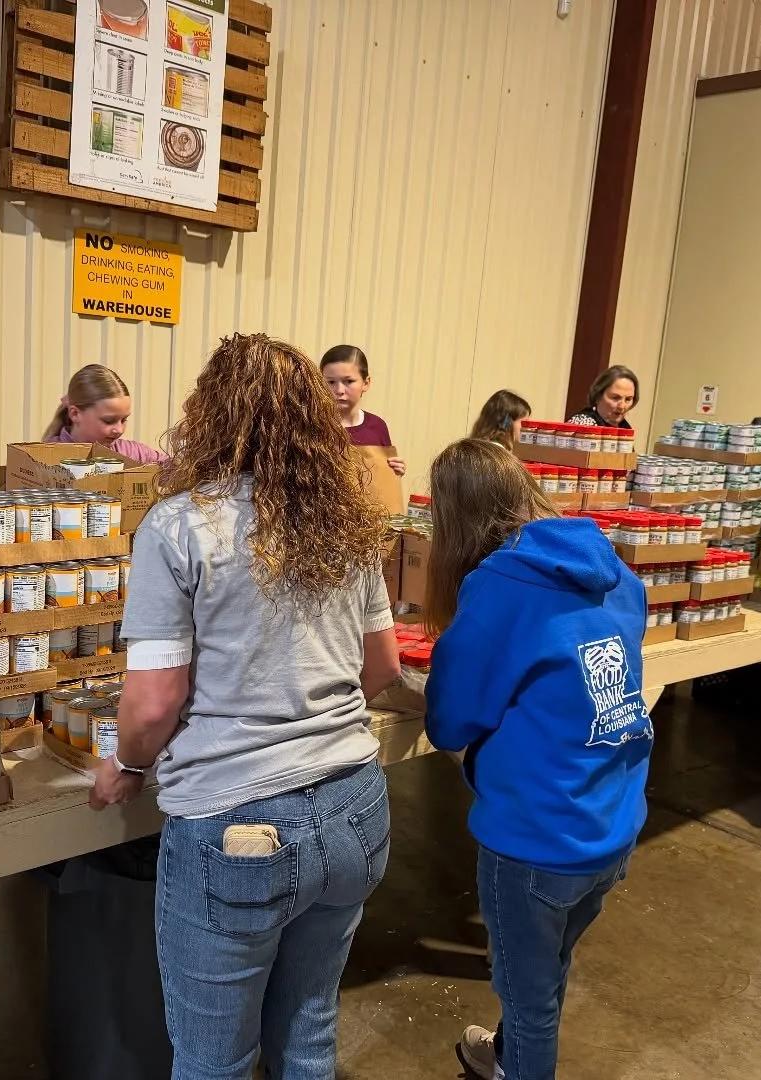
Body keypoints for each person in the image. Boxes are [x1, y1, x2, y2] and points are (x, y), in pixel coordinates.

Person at [88, 333, 402, 1079]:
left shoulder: (179, 526)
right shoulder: (347, 523)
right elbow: (382, 667)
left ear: (210, 414)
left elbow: (156, 699)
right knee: (309, 1034)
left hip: (238, 824)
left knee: (213, 1061)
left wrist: (127, 765)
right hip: (357, 801)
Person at [422, 439, 653, 1080]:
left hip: (536, 836)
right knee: (545, 972)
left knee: (529, 1005)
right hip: (611, 820)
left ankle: (517, 1061)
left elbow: (450, 721)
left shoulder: (499, 587)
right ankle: (503, 1053)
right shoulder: (612, 570)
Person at [43, 363, 168, 464]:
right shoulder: (46, 456)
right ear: (75, 414)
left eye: (124, 420)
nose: (119, 429)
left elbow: (174, 471)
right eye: (108, 421)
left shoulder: (128, 453)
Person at [320, 344, 406, 476]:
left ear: (366, 383)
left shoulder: (377, 427)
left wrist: (395, 470)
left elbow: (383, 478)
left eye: (348, 381)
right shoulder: (312, 425)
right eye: (331, 382)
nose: (339, 391)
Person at [567, 365, 640, 429]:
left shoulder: (624, 427)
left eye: (628, 399)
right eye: (615, 398)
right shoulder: (582, 424)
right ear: (598, 395)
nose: (622, 406)